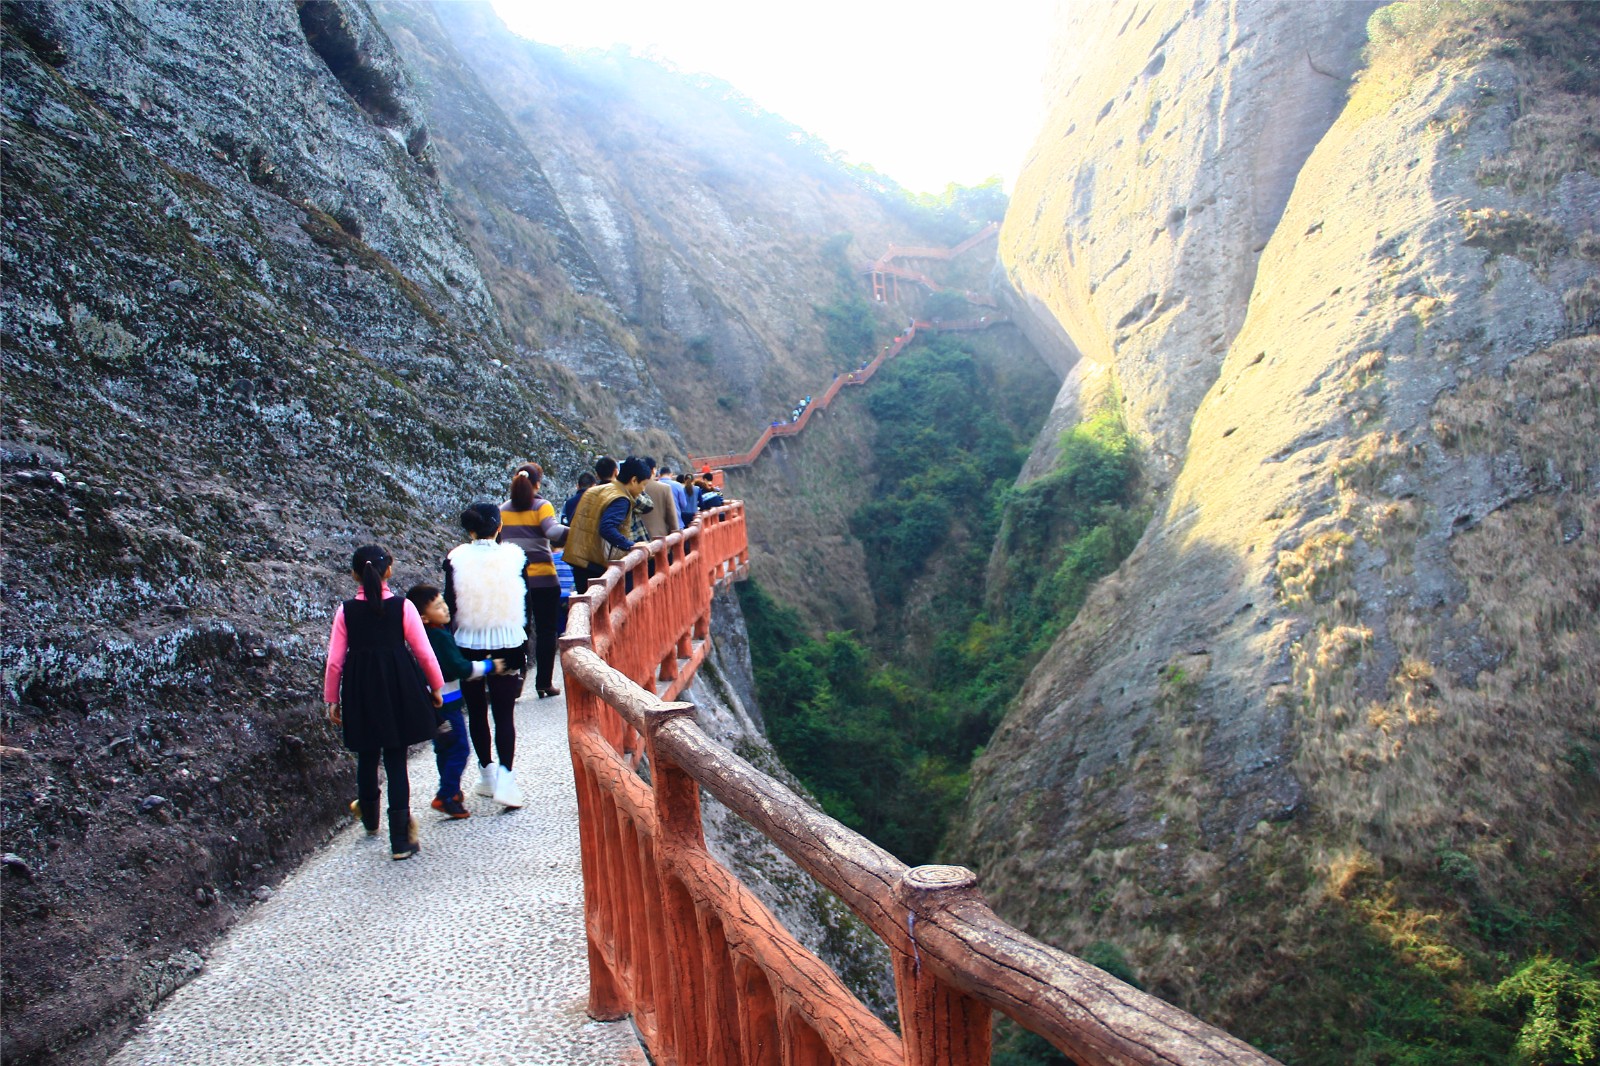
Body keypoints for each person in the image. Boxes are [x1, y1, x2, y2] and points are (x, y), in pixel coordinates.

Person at [323, 545, 445, 861]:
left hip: (360, 686)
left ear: (355, 575)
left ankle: (370, 817)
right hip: (397, 684)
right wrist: (435, 686)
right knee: (395, 757)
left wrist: (331, 698)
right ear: (388, 570)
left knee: (366, 751)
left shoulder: (345, 611)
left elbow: (335, 661)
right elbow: (423, 652)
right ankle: (401, 839)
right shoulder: (403, 608)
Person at [443, 504, 528, 809]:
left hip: (469, 640)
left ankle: (487, 773)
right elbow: (524, 599)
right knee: (504, 714)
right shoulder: (515, 557)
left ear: (470, 530)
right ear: (499, 525)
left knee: (477, 711)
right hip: (508, 639)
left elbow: (450, 603)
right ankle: (507, 778)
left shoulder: (455, 558)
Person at [406, 584, 502, 820]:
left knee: (444, 749)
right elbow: (460, 668)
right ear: (423, 617)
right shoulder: (440, 637)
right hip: (448, 704)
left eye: (444, 603)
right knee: (460, 747)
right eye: (438, 606)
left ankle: (452, 790)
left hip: (430, 704)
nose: (445, 608)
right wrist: (490, 666)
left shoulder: (421, 637)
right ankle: (446, 795)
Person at [500, 463, 567, 699]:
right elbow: (553, 532)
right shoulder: (542, 506)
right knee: (547, 630)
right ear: (538, 482)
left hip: (515, 580)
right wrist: (576, 531)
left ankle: (517, 680)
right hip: (543, 579)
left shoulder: (502, 510)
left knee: (520, 630)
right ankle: (544, 683)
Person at [564, 456, 652, 593]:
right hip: (596, 565)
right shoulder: (621, 499)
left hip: (579, 560)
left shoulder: (596, 490)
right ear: (634, 480)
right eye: (644, 485)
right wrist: (630, 545)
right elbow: (606, 528)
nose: (643, 489)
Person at [640, 456, 679, 540]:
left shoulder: (631, 489)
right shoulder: (664, 488)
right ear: (653, 470)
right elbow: (672, 518)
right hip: (661, 539)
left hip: (637, 542)